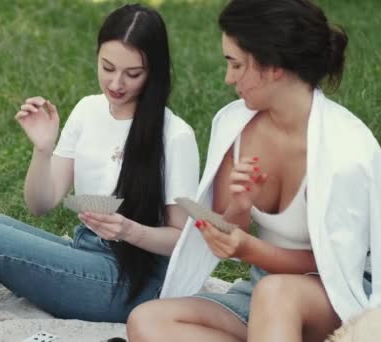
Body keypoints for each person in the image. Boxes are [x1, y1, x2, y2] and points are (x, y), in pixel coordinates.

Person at [126, 0, 380, 341]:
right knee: (147, 321)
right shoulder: (234, 125)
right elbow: (226, 232)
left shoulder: (348, 150)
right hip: (260, 291)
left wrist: (249, 249)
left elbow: (334, 266)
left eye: (236, 64)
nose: (228, 78)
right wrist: (239, 208)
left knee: (277, 293)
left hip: (333, 298)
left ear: (272, 66)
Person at [0, 3, 199, 323]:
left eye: (133, 74)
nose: (116, 84)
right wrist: (43, 149)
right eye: (107, 67)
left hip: (130, 281)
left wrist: (131, 231)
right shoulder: (88, 110)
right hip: (85, 250)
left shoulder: (175, 136)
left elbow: (181, 241)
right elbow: (41, 205)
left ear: (153, 71)